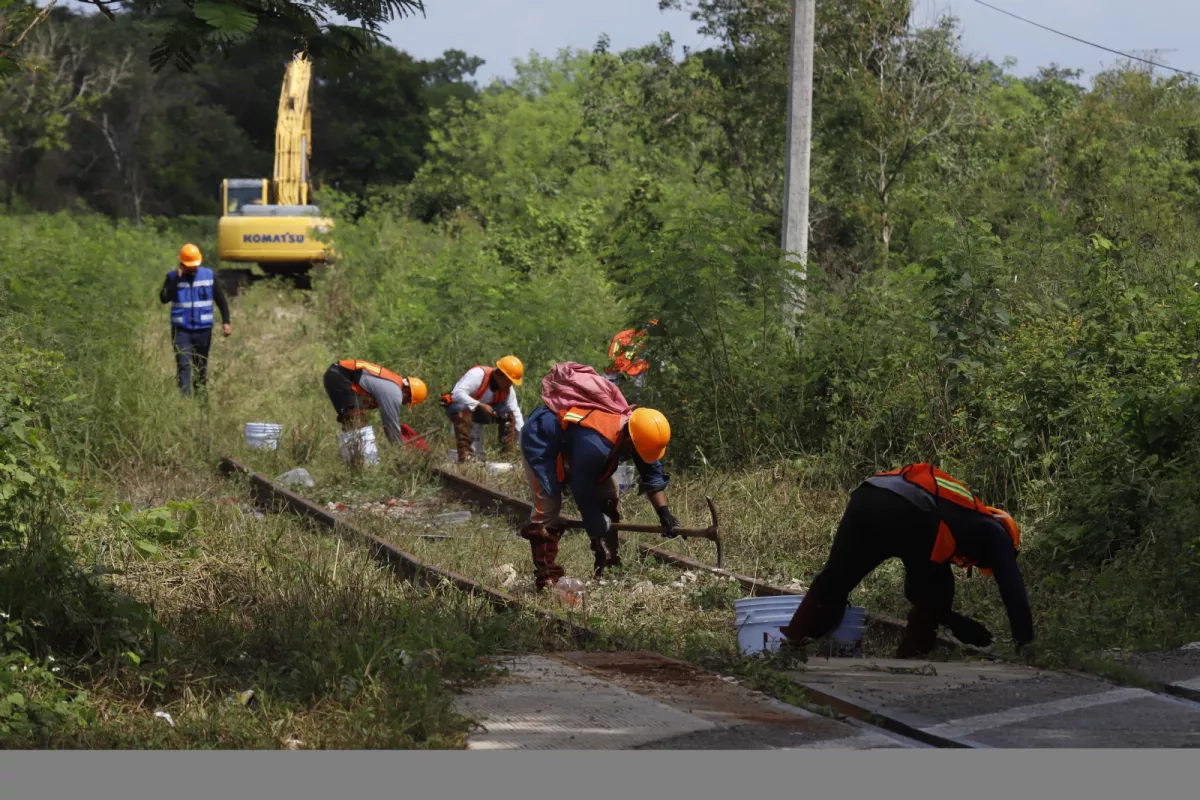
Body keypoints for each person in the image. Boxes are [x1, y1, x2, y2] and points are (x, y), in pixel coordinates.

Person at [779, 463, 1034, 659]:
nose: (971, 564)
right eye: (980, 564)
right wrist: (1025, 642)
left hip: (867, 495)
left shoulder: (957, 517)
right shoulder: (994, 529)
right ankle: (907, 665)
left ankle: (788, 651)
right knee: (939, 593)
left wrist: (953, 621)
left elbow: (915, 586)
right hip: (908, 507)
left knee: (832, 583)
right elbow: (1012, 586)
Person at [519, 361, 681, 590]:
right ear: (628, 438)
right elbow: (581, 484)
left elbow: (651, 469)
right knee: (547, 508)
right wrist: (592, 517)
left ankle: (608, 564)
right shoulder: (597, 444)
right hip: (542, 440)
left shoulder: (640, 430)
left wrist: (664, 513)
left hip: (576, 445)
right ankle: (547, 578)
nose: (636, 455)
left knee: (609, 494)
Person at [159, 243, 231, 396]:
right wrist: (176, 281)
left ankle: (201, 399)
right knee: (184, 365)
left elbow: (221, 300)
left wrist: (226, 322)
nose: (193, 268)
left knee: (201, 366)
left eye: (195, 265)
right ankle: (185, 400)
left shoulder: (209, 276)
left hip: (203, 330)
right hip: (181, 330)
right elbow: (164, 298)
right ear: (182, 263)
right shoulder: (172, 277)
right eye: (189, 266)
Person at [441, 356, 526, 463]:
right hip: (459, 409)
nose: (511, 384)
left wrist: (523, 438)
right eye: (509, 381)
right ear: (499, 374)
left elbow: (515, 412)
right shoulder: (478, 375)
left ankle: (507, 456)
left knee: (508, 414)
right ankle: (465, 456)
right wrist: (480, 405)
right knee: (461, 408)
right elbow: (456, 394)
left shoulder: (508, 389)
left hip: (480, 414)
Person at [322, 359, 428, 445]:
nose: (403, 403)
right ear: (406, 392)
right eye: (407, 401)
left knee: (353, 423)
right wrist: (398, 448)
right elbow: (390, 424)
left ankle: (354, 463)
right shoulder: (394, 392)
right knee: (357, 420)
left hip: (337, 374)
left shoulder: (392, 383)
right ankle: (361, 464)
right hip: (340, 376)